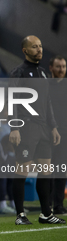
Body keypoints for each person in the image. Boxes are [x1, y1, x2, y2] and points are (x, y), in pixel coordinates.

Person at [9, 35, 65, 225]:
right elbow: (12, 101)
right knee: (22, 170)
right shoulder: (18, 72)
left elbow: (47, 103)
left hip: (43, 128)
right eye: (34, 47)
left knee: (46, 170)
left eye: (40, 46)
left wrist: (54, 127)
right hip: (26, 127)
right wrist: (14, 128)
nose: (39, 49)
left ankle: (46, 214)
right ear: (25, 50)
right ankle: (20, 215)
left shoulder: (43, 73)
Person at [48, 56, 67, 215]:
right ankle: (45, 204)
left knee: (61, 170)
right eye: (58, 66)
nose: (61, 69)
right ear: (51, 68)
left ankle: (59, 205)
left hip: (64, 134)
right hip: (46, 135)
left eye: (63, 66)